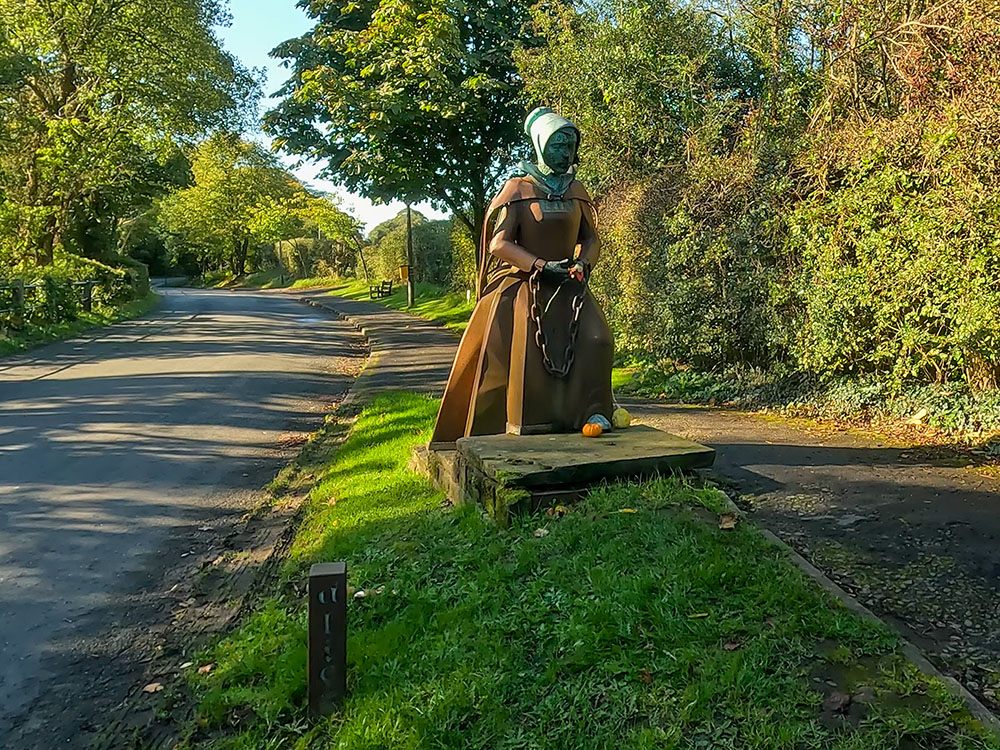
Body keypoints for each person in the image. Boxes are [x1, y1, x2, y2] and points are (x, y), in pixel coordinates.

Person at [430, 107, 615, 446]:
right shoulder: (518, 189)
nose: (566, 153)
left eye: (571, 146)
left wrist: (583, 263)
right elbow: (499, 243)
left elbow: (590, 238)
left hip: (569, 282)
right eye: (559, 145)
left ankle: (593, 410)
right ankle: (529, 421)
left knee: (597, 339)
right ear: (542, 145)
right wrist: (539, 265)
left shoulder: (577, 190)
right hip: (524, 282)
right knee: (523, 349)